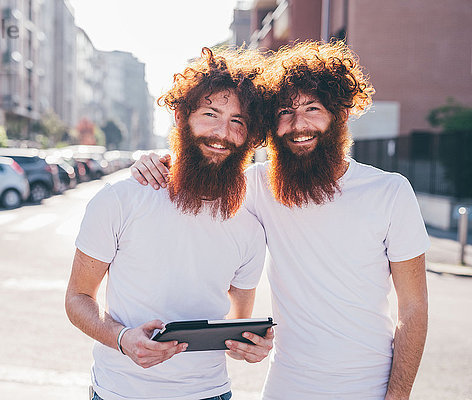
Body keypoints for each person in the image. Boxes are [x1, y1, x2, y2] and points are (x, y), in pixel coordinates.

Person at [131, 41, 429, 400]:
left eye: (313, 108)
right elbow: (203, 168)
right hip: (285, 388)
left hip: (367, 387)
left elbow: (413, 309)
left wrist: (397, 397)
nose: (297, 124)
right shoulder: (257, 186)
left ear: (342, 114)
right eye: (285, 112)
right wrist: (155, 161)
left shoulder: (390, 192)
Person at [65, 47, 275, 400]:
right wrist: (121, 337)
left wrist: (248, 346)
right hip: (119, 393)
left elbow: (237, 322)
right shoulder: (121, 199)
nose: (223, 132)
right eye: (210, 113)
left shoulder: (251, 227)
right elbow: (77, 298)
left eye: (237, 121)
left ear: (249, 136)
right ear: (181, 118)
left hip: (210, 394)